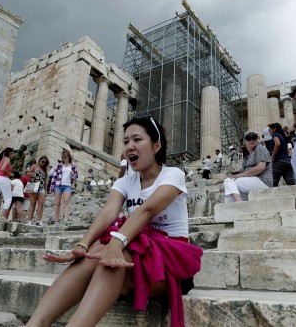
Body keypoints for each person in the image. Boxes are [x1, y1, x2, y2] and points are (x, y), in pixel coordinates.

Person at [24, 115, 203, 327]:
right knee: (97, 253)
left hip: (170, 263)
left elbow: (148, 209)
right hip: (136, 255)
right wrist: (83, 245)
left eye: (137, 140)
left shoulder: (173, 175)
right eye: (126, 142)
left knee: (109, 254)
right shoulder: (124, 181)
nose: (130, 147)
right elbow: (108, 213)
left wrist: (116, 244)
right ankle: (35, 325)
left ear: (156, 146)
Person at [224, 131, 273, 202]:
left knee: (228, 181)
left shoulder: (260, 148)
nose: (252, 140)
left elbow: (261, 167)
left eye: (254, 138)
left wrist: (242, 174)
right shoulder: (247, 157)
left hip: (262, 180)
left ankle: (240, 204)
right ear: (244, 142)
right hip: (252, 181)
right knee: (230, 193)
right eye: (248, 138)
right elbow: (242, 171)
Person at [50, 150, 79, 225]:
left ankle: (66, 219)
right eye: (63, 157)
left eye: (66, 157)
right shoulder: (59, 165)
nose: (64, 159)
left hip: (68, 186)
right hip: (58, 185)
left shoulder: (73, 166)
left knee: (66, 202)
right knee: (57, 203)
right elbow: (54, 177)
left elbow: (76, 177)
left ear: (69, 157)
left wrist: (72, 174)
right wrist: (51, 187)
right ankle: (56, 220)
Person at [27, 155, 50, 227]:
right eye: (42, 161)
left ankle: (38, 221)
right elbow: (27, 173)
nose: (43, 163)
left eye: (45, 163)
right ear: (39, 160)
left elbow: (45, 181)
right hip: (33, 185)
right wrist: (33, 174)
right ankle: (30, 221)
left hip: (41, 187)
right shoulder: (34, 166)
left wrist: (46, 191)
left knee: (41, 203)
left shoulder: (45, 170)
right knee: (33, 203)